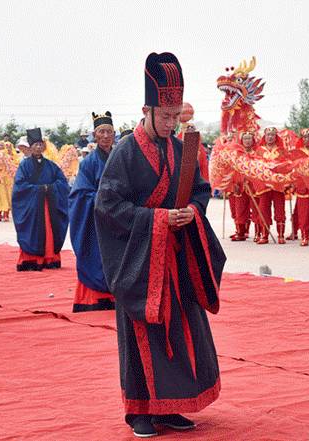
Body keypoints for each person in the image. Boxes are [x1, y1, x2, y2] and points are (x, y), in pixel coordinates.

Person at [94, 52, 225, 438]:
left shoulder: (182, 149)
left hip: (176, 257)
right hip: (140, 262)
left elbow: (200, 190)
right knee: (143, 335)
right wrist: (157, 219)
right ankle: (140, 412)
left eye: (176, 116)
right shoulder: (125, 152)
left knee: (182, 331)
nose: (171, 124)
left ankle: (173, 406)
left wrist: (191, 213)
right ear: (146, 110)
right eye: (165, 116)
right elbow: (107, 206)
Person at [68, 111, 117, 312]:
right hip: (95, 219)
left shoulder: (120, 157)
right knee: (96, 255)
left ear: (114, 135)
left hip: (118, 218)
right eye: (101, 132)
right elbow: (79, 193)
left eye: (109, 132)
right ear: (95, 136)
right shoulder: (88, 163)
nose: (105, 136)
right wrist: (101, 199)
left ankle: (117, 295)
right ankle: (93, 298)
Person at [12, 128, 69, 271]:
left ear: (44, 147)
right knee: (33, 230)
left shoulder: (51, 165)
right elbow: (19, 186)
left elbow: (62, 182)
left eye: (40, 144)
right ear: (30, 147)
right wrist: (38, 190)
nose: (38, 147)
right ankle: (31, 260)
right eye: (35, 145)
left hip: (48, 205)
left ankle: (50, 258)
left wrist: (49, 189)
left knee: (49, 230)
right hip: (32, 206)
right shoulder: (24, 165)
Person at [255, 127, 288, 244]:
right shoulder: (259, 150)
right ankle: (264, 235)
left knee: (280, 209)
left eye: (272, 135)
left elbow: (286, 165)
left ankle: (281, 235)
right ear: (265, 136)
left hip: (277, 184)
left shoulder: (281, 150)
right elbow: (256, 165)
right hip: (264, 185)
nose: (270, 137)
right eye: (268, 135)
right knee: (264, 209)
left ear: (276, 137)